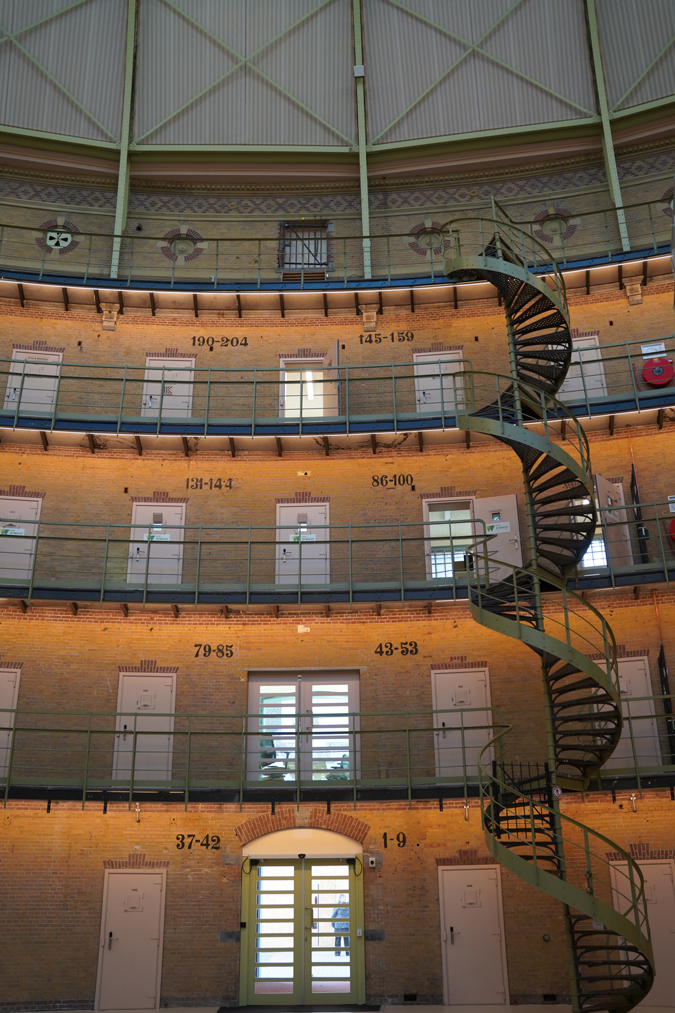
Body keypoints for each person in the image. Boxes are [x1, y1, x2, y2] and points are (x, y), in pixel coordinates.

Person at [332, 893, 349, 957]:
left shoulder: (348, 906)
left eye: (345, 897)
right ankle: (337, 952)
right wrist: (333, 924)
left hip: (346, 925)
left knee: (347, 939)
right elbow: (333, 915)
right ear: (340, 899)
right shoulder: (337, 906)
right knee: (337, 940)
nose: (344, 899)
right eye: (343, 897)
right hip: (338, 926)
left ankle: (348, 952)